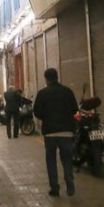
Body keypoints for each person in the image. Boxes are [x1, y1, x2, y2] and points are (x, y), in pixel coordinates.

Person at [33, 68, 80, 197]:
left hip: (50, 133)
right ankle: (69, 182)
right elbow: (74, 109)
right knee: (67, 159)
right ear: (57, 77)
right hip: (67, 132)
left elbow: (37, 112)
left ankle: (54, 188)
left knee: (51, 161)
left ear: (46, 79)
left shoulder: (42, 93)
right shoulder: (67, 91)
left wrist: (47, 117)